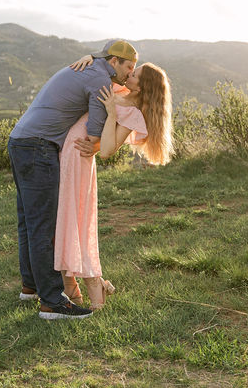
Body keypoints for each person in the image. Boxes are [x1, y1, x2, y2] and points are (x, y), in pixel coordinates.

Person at [7, 40, 137, 320]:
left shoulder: (91, 68)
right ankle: (52, 302)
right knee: (44, 225)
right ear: (114, 61)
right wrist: (97, 142)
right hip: (39, 147)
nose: (130, 72)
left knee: (29, 221)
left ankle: (30, 286)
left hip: (19, 140)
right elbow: (93, 134)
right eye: (129, 66)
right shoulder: (101, 78)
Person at [55, 56, 173, 309]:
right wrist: (94, 58)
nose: (128, 74)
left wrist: (110, 114)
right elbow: (106, 68)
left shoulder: (133, 114)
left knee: (74, 219)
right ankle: (75, 285)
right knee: (66, 218)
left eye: (134, 74)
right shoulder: (119, 88)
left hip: (78, 159)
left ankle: (90, 286)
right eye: (130, 69)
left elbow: (107, 149)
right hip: (68, 154)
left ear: (141, 87)